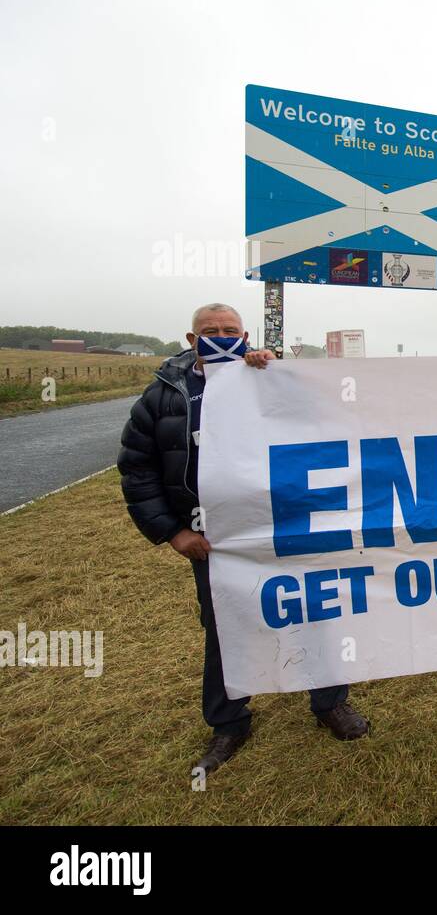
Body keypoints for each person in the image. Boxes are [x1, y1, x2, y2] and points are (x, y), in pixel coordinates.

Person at [117, 303, 370, 777]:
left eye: (229, 330)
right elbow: (137, 469)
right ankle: (229, 722)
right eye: (209, 331)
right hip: (215, 540)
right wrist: (172, 532)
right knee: (225, 625)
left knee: (315, 611)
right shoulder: (163, 396)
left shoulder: (270, 376)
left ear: (245, 335)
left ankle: (330, 704)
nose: (220, 337)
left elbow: (324, 427)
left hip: (286, 526)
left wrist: (278, 373)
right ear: (191, 341)